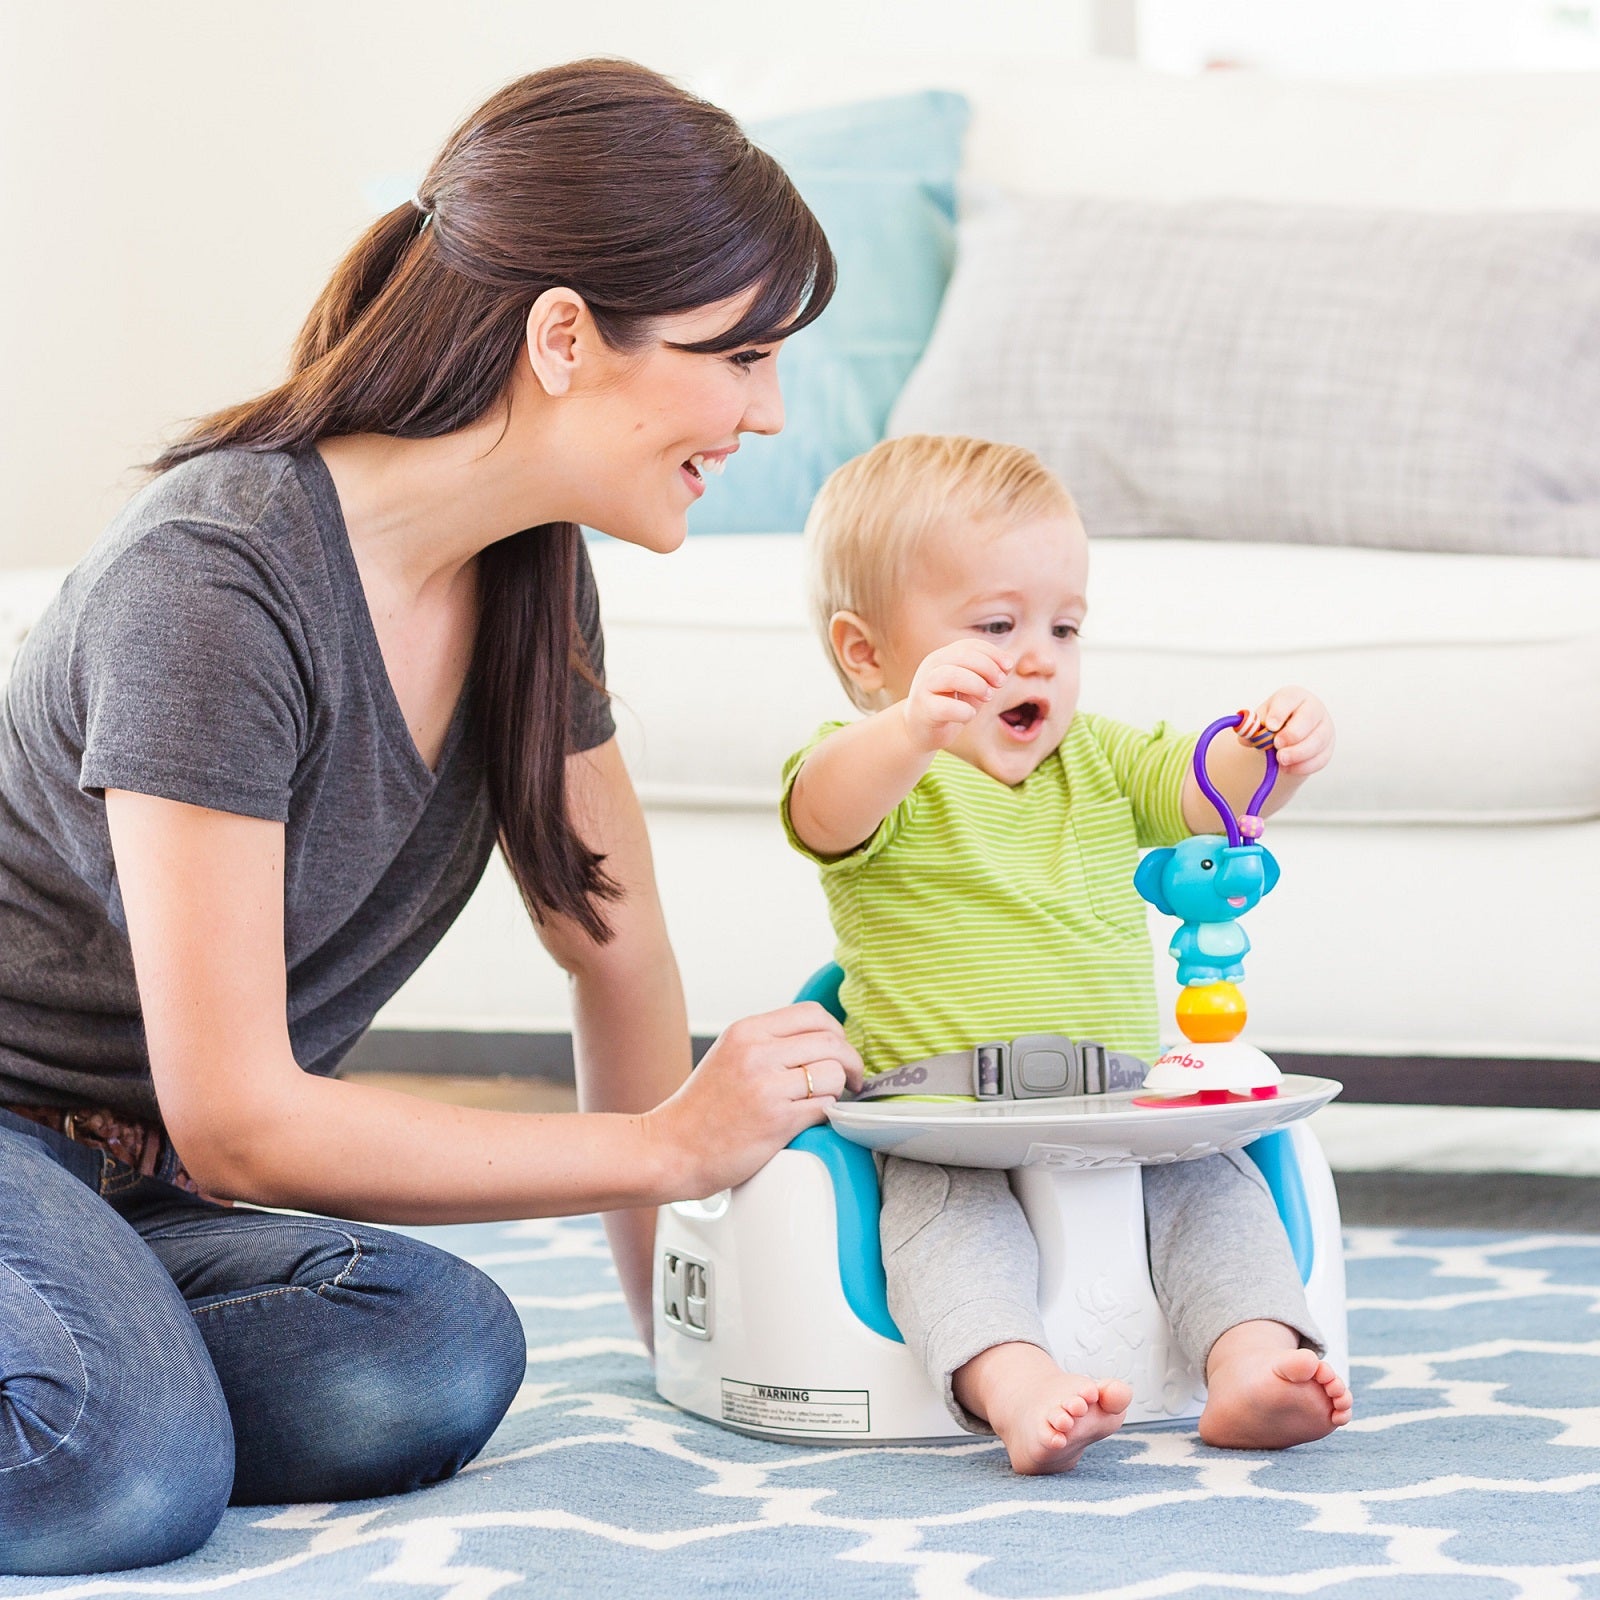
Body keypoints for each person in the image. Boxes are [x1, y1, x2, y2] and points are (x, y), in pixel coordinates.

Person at [0, 60, 863, 1576]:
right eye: (739, 354)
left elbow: (616, 946)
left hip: (140, 1190)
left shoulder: (531, 572)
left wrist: (676, 1333)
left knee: (432, 1347)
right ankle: (98, 1399)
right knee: (111, 1475)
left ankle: (87, 1351)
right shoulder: (214, 583)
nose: (769, 410)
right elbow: (246, 1124)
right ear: (564, 337)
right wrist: (669, 1150)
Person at [782, 434, 1352, 1475]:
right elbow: (824, 805)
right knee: (948, 1236)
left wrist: (1270, 746)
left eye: (1064, 625)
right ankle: (1018, 1386)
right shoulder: (880, 770)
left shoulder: (1096, 757)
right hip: (942, 1118)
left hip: (1124, 1105)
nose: (1039, 654)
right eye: (996, 626)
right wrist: (911, 730)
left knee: (1218, 1190)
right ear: (867, 655)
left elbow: (1205, 786)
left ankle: (1253, 1364)